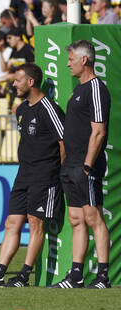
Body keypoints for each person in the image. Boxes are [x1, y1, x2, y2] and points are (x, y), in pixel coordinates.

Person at [0, 63, 65, 288]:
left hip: (44, 174)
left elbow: (64, 143)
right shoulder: (21, 109)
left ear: (30, 82)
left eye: (17, 80)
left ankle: (23, 276)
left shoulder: (49, 108)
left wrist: (56, 172)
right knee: (11, 223)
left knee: (35, 224)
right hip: (24, 174)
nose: (13, 84)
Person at [49, 40, 111, 289]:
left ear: (84, 60)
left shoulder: (96, 88)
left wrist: (87, 165)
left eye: (71, 59)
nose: (67, 64)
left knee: (93, 217)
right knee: (76, 219)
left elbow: (99, 131)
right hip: (71, 164)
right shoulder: (78, 90)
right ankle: (76, 275)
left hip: (86, 166)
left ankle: (103, 276)